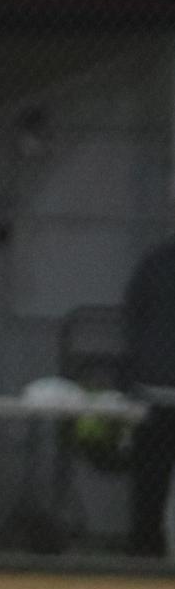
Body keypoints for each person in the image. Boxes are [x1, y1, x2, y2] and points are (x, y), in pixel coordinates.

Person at [122, 235, 175, 558]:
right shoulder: (156, 264)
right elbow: (134, 319)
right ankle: (146, 553)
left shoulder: (154, 263)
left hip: (152, 387)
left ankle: (147, 547)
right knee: (150, 486)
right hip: (155, 393)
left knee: (150, 486)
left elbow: (133, 319)